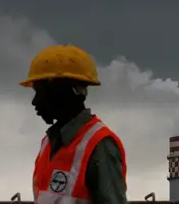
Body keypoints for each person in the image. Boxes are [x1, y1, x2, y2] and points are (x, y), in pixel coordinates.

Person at [20, 44, 128, 204]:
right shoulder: (48, 144)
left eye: (40, 92)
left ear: (63, 92)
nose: (35, 101)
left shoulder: (99, 145)